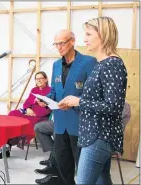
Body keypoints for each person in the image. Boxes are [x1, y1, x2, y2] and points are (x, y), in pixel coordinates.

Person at [58, 17, 127, 185]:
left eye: (89, 34)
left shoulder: (112, 64)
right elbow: (97, 100)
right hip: (93, 134)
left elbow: (114, 107)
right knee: (102, 180)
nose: (84, 39)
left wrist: (79, 102)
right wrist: (75, 103)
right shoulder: (101, 64)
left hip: (99, 136)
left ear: (103, 35)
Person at [36, 29, 97, 185]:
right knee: (63, 163)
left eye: (62, 43)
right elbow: (55, 91)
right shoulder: (56, 65)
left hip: (80, 123)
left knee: (81, 165)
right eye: (56, 44)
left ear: (72, 41)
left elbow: (94, 94)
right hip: (60, 124)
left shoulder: (89, 62)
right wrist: (47, 99)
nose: (59, 47)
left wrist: (75, 101)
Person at [0, 71, 51, 159]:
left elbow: (50, 108)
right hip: (29, 112)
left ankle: (9, 145)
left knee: (24, 123)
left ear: (46, 79)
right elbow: (27, 103)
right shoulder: (34, 90)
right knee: (12, 114)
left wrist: (35, 113)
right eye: (37, 79)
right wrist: (28, 109)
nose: (38, 80)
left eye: (41, 78)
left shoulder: (50, 91)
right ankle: (6, 148)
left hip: (40, 116)